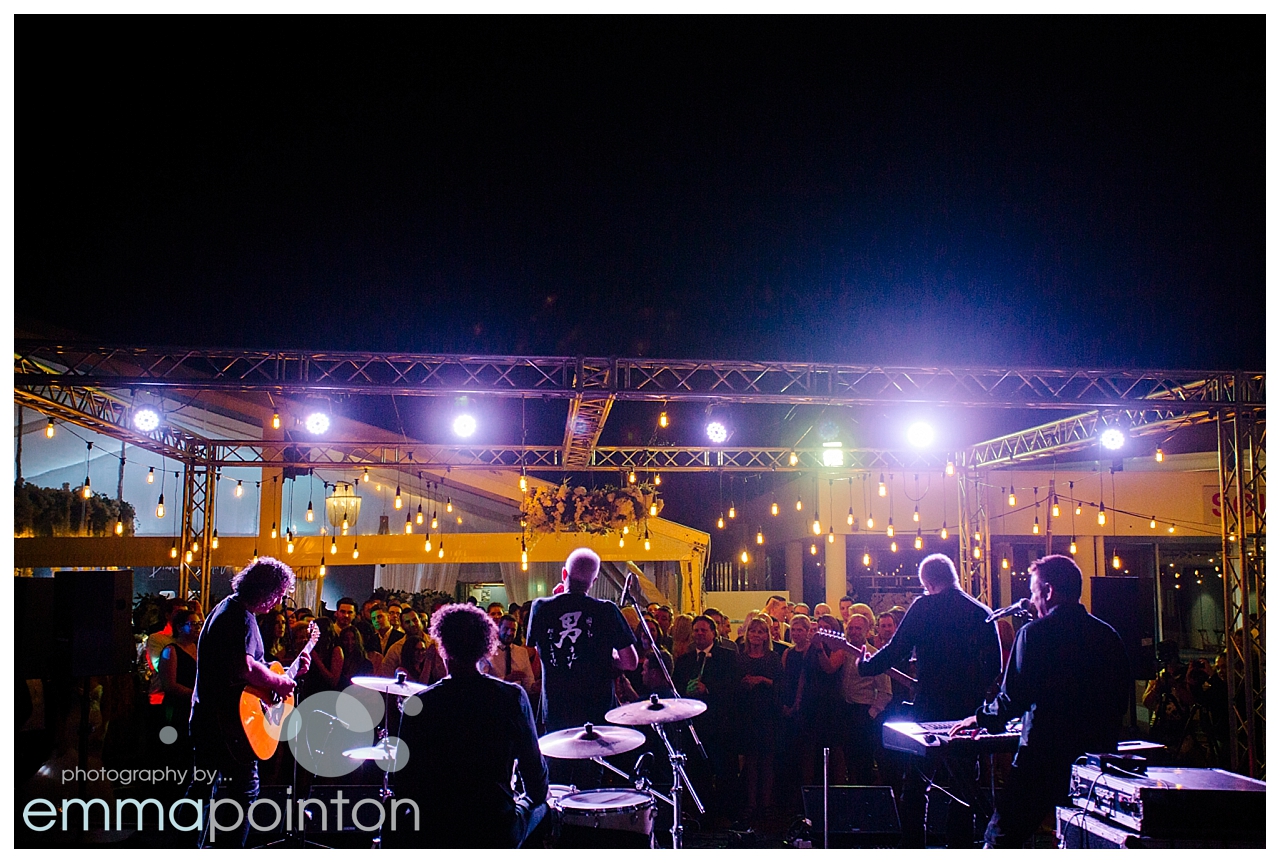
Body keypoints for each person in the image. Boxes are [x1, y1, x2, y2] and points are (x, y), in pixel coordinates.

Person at [951, 554, 1130, 848]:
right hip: (1095, 764)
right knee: (1086, 839)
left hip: (1043, 760)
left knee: (1000, 840)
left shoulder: (1032, 635)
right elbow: (1120, 700)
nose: (1033, 602)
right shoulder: (1107, 635)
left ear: (1048, 591)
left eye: (1034, 593)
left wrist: (981, 718)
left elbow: (1011, 700)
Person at [855, 554, 1001, 848]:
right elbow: (996, 665)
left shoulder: (924, 607)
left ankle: (914, 847)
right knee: (963, 785)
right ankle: (959, 847)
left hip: (929, 707)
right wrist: (975, 691)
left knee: (917, 782)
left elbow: (896, 649)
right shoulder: (980, 610)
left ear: (929, 583)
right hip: (966, 712)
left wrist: (865, 666)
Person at [393, 603, 549, 847]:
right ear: (486, 649)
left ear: (442, 648)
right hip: (494, 828)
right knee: (543, 807)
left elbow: (402, 784)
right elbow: (536, 784)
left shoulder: (418, 704)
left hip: (434, 830)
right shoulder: (512, 697)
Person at [189, 557, 308, 847]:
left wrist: (287, 670)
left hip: (216, 720)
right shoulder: (237, 616)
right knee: (241, 791)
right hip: (223, 726)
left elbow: (255, 665)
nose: (279, 602)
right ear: (265, 590)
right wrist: (278, 682)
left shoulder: (233, 610)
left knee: (204, 792)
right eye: (278, 595)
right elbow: (245, 667)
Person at [527, 547, 639, 788]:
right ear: (594, 580)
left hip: (555, 711)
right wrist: (607, 660)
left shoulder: (540, 607)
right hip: (595, 713)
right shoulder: (607, 610)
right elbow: (631, 661)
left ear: (564, 573)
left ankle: (557, 826)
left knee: (555, 784)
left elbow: (539, 651)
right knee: (590, 786)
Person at [673, 615, 740, 822]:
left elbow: (733, 687)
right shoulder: (684, 660)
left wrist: (708, 689)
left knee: (722, 771)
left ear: (713, 633)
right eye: (696, 630)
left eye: (704, 630)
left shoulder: (727, 657)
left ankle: (723, 815)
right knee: (696, 771)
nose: (700, 634)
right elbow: (676, 688)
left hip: (719, 725)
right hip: (694, 726)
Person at [736, 615, 782, 826]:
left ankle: (767, 804)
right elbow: (733, 685)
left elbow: (781, 685)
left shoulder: (772, 657)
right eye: (753, 631)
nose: (756, 635)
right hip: (747, 713)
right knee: (750, 761)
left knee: (767, 760)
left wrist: (762, 680)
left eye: (761, 631)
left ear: (766, 636)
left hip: (767, 713)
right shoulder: (741, 657)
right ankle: (751, 803)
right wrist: (745, 683)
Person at [839, 614, 891, 784]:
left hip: (863, 711)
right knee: (848, 760)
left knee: (863, 762)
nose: (853, 632)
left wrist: (871, 714)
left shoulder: (874, 655)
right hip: (845, 711)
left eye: (858, 628)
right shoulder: (842, 653)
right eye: (850, 628)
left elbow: (885, 691)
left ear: (867, 631)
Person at [480, 614, 537, 698]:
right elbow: (482, 682)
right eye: (506, 629)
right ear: (498, 629)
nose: (510, 633)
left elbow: (528, 680)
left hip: (517, 700)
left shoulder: (521, 652)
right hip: (494, 698)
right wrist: (505, 679)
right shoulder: (487, 651)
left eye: (513, 630)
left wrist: (534, 687)